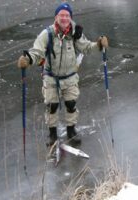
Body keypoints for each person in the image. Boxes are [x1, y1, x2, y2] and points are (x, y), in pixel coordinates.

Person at [17, 2, 108, 146]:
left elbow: (86, 48)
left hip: (70, 77)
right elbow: (37, 52)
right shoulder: (47, 34)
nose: (64, 18)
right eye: (61, 15)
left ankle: (71, 130)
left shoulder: (75, 34)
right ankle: (52, 134)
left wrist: (98, 44)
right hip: (51, 78)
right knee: (51, 106)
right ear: (56, 17)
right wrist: (27, 60)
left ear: (70, 17)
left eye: (67, 15)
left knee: (71, 104)